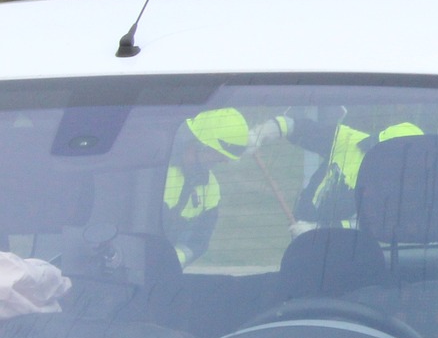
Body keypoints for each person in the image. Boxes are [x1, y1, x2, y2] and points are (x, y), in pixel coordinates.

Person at [251, 114, 422, 232]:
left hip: (344, 252)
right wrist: (262, 133)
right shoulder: (349, 141)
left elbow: (367, 226)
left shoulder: (401, 190)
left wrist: (317, 230)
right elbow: (297, 127)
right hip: (300, 233)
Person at [164, 107, 250, 266]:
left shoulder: (211, 190)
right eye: (220, 154)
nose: (224, 161)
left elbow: (199, 242)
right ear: (201, 145)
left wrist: (174, 259)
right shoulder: (156, 172)